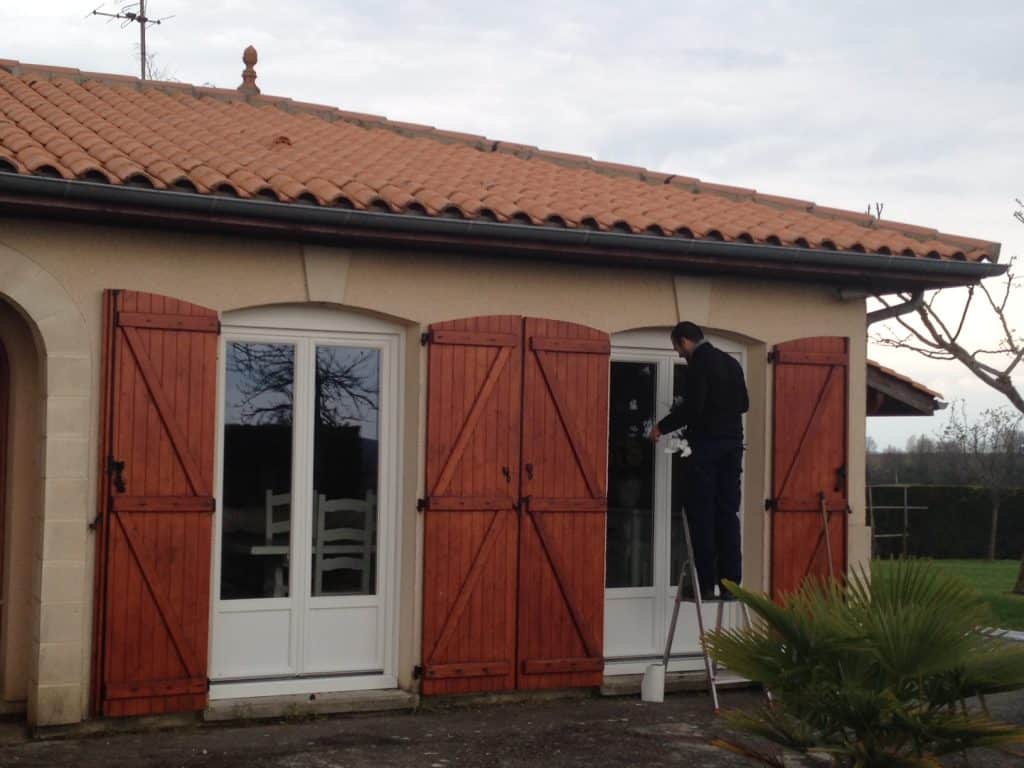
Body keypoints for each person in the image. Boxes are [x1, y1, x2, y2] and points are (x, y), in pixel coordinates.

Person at [649, 322, 748, 600]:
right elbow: (744, 404)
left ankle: (705, 584)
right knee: (728, 514)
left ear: (684, 341)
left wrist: (661, 427)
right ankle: (731, 585)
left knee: (701, 514)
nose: (678, 354)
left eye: (677, 348)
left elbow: (693, 408)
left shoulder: (699, 366)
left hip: (706, 448)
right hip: (732, 446)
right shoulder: (730, 363)